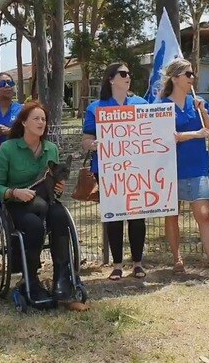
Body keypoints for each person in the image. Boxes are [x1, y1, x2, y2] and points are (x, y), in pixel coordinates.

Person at [0, 101, 75, 303]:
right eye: (36, 118)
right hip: (17, 204)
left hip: (45, 201)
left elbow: (54, 180)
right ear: (24, 123)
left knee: (61, 216)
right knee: (34, 227)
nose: (41, 122)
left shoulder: (51, 149)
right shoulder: (8, 148)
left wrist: (58, 188)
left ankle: (62, 277)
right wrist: (14, 192)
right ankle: (31, 279)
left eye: (44, 119)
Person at [158, 58, 209, 283]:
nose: (192, 78)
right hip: (170, 169)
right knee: (172, 216)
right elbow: (165, 138)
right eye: (188, 74)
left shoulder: (198, 103)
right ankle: (177, 258)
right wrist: (193, 135)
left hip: (197, 166)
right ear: (175, 78)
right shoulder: (161, 106)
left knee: (204, 215)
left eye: (192, 74)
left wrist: (204, 113)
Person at [81, 62, 149, 280]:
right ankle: (118, 264)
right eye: (123, 73)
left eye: (129, 73)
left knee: (137, 215)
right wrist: (94, 145)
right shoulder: (96, 108)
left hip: (137, 169)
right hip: (108, 170)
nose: (128, 76)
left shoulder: (142, 104)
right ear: (111, 79)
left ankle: (138, 263)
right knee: (114, 216)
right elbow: (86, 140)